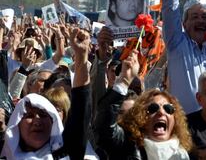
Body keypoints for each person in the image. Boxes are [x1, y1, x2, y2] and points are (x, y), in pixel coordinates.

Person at [1, 28, 92, 159]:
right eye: (29, 115)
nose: (37, 121)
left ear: (54, 121)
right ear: (16, 123)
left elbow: (81, 106)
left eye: (44, 115)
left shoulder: (67, 152)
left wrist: (82, 55)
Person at [94, 50, 193, 159]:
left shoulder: (183, 154)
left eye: (168, 108)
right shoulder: (128, 147)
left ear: (175, 119)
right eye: (153, 108)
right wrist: (124, 80)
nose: (161, 112)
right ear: (141, 118)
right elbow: (105, 129)